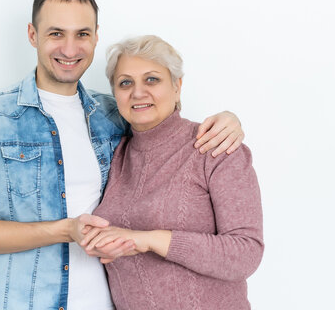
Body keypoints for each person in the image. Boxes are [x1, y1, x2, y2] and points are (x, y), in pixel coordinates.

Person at [0, 0, 245, 310]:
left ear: (96, 36)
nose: (70, 48)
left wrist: (230, 120)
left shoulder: (113, 115)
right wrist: (66, 230)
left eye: (82, 34)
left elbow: (163, 128)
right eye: (56, 34)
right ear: (33, 35)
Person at [83, 35, 264, 309]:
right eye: (125, 83)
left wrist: (150, 239)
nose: (138, 92)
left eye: (152, 79)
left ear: (177, 86)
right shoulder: (113, 153)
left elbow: (246, 253)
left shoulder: (214, 147)